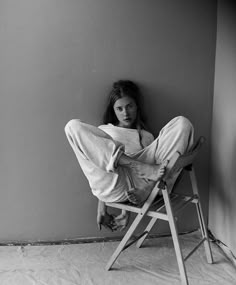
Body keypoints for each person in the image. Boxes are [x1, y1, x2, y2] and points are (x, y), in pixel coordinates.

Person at [64, 80, 194, 231]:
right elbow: (101, 167)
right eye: (119, 108)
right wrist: (102, 209)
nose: (125, 113)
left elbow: (153, 172)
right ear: (113, 111)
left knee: (183, 123)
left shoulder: (146, 136)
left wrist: (126, 212)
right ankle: (140, 167)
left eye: (129, 106)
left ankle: (150, 186)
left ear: (137, 106)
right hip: (114, 180)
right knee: (72, 126)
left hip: (143, 182)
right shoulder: (104, 131)